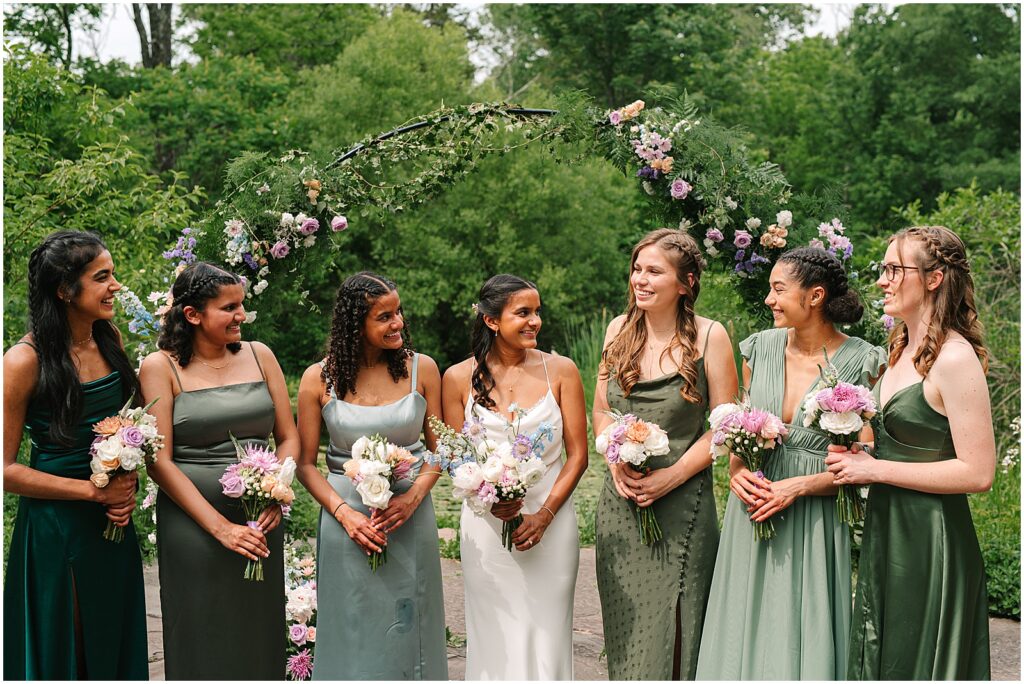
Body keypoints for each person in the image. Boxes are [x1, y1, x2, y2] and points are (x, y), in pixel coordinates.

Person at [695, 246, 886, 680]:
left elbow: (866, 457)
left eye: (779, 289)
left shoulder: (863, 360)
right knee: (741, 622)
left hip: (815, 515)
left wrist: (797, 487)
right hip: (754, 507)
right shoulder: (758, 348)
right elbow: (739, 425)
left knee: (803, 623)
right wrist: (738, 473)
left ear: (815, 296)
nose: (769, 300)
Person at [826, 225, 994, 680]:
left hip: (930, 541)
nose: (882, 280)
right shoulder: (899, 349)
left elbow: (978, 473)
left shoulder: (955, 359)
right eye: (883, 269)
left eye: (894, 269)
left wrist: (875, 470)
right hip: (888, 531)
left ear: (934, 278)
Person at [139, 261, 299, 679]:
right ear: (192, 315)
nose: (241, 316)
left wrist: (276, 492)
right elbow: (159, 459)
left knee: (257, 628)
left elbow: (288, 436)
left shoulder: (260, 354)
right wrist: (220, 528)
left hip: (259, 519)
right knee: (201, 629)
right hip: (193, 525)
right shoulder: (161, 367)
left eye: (241, 305)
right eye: (229, 308)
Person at [3, 230, 149, 680]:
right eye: (102, 277)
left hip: (113, 521)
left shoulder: (110, 340)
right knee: (71, 646)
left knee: (112, 639)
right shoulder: (23, 362)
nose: (115, 286)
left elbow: (132, 428)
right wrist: (91, 492)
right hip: (56, 527)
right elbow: (5, 470)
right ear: (65, 290)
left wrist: (128, 480)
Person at [594, 228, 737, 680]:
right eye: (637, 269)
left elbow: (725, 427)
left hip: (683, 507)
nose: (640, 278)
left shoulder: (711, 336)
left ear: (686, 282)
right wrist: (615, 461)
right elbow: (601, 410)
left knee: (678, 624)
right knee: (627, 627)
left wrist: (669, 478)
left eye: (654, 271)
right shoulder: (617, 330)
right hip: (620, 504)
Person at [296, 271, 447, 680]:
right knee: (351, 627)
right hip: (345, 521)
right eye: (384, 317)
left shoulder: (423, 369)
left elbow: (442, 449)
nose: (397, 323)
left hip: (409, 517)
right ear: (354, 324)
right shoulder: (318, 379)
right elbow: (305, 464)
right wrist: (345, 514)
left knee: (411, 621)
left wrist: (412, 498)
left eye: (398, 312)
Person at [442, 274, 588, 680]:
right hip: (486, 529)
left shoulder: (562, 371)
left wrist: (544, 516)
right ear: (492, 321)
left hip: (551, 526)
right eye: (523, 313)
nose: (535, 321)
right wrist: (491, 497)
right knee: (493, 637)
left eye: (537, 312)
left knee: (547, 635)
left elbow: (578, 456)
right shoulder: (456, 378)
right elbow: (456, 458)